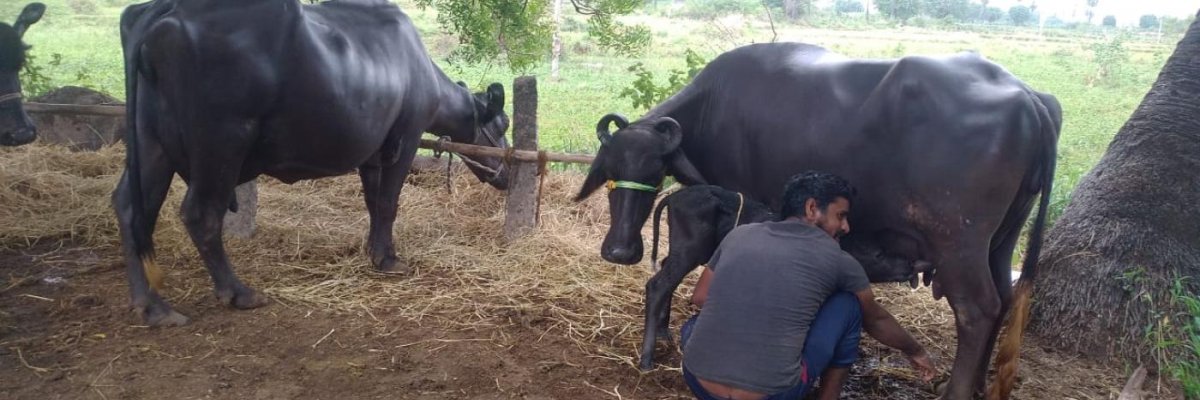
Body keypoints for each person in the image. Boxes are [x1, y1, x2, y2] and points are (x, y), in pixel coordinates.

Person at [680, 171, 937, 400]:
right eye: (841, 216)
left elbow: (701, 297)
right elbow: (876, 320)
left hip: (698, 382)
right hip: (774, 393)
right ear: (812, 208)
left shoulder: (740, 234)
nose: (845, 227)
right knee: (849, 306)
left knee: (692, 326)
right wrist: (915, 350)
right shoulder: (839, 260)